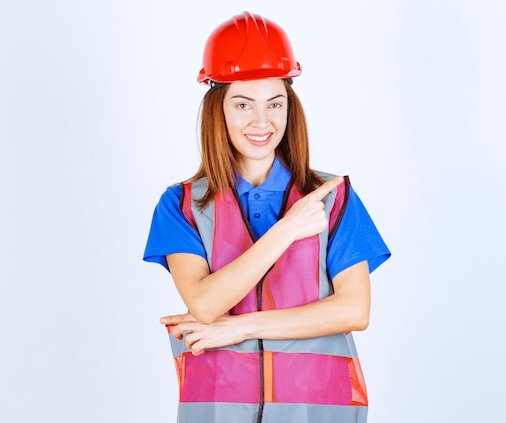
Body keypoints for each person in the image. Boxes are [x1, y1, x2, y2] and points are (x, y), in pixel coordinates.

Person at [143, 11, 390, 423]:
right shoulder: (181, 204)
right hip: (220, 408)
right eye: (243, 104)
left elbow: (353, 310)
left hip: (315, 408)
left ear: (289, 107)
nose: (262, 121)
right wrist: (287, 229)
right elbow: (204, 303)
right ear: (217, 109)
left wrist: (241, 327)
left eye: (275, 103)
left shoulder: (332, 198)